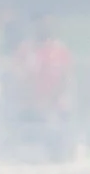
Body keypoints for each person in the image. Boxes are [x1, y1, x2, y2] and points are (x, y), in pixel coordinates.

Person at [8, 14, 74, 160]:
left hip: (55, 105)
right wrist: (33, 101)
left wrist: (49, 101)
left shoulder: (59, 50)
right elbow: (18, 78)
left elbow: (65, 78)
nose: (42, 29)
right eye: (39, 26)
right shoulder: (25, 50)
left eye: (46, 25)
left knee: (56, 137)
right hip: (29, 107)